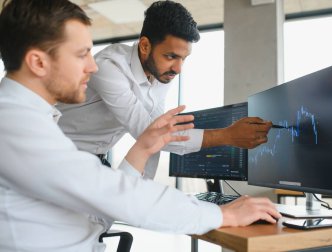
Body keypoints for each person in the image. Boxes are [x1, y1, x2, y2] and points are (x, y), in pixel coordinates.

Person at [0, 0, 281, 251]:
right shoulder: (16, 123)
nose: (92, 66)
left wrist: (143, 149)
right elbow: (110, 194)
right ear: (38, 62)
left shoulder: (32, 118)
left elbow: (103, 205)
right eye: (81, 54)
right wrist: (222, 214)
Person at [56, 0, 273, 177]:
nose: (178, 68)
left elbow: (155, 133)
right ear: (145, 46)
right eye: (171, 56)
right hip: (60, 159)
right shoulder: (109, 67)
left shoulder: (159, 75)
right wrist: (226, 136)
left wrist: (146, 191)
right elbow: (148, 132)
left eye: (184, 58)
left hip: (93, 162)